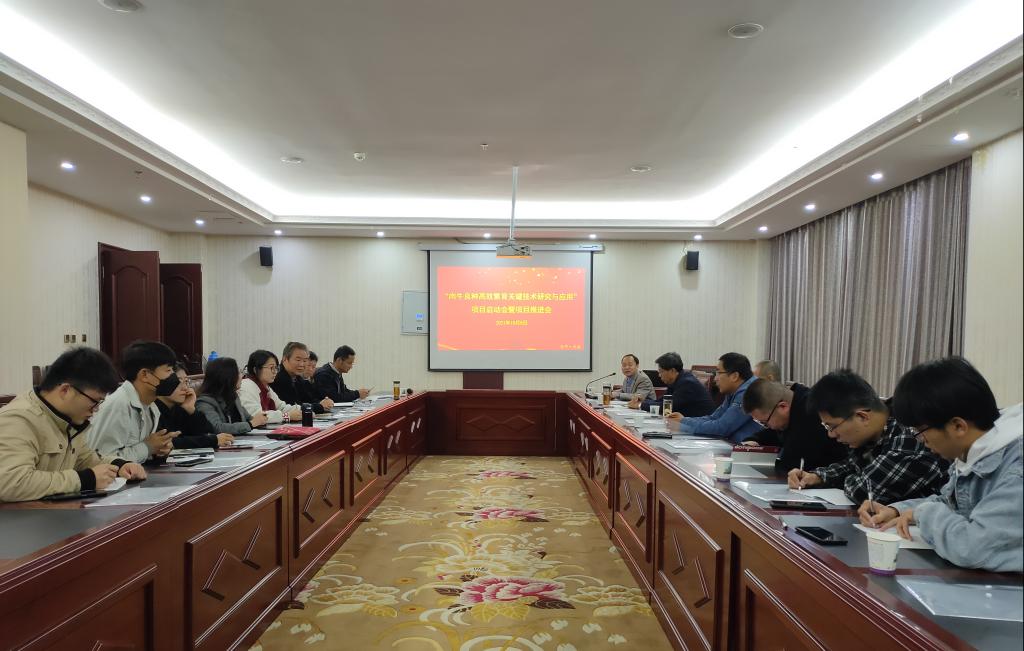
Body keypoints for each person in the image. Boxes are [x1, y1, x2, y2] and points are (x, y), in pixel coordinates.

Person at [860, 358, 1022, 572]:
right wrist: (898, 510)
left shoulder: (1016, 467)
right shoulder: (977, 449)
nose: (921, 441)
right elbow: (950, 502)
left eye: (920, 431)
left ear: (958, 426)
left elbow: (970, 548)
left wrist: (922, 514)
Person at [0, 348, 147, 502]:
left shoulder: (66, 419)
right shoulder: (18, 420)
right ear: (65, 390)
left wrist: (119, 466)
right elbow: (11, 483)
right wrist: (84, 480)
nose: (96, 409)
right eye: (94, 402)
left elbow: (84, 459)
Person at [788, 370, 947, 504]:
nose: (831, 434)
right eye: (826, 427)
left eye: (832, 426)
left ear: (862, 417)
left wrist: (857, 476)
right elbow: (851, 465)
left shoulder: (909, 436)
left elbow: (863, 492)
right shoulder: (875, 431)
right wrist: (816, 477)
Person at [87, 340, 179, 463]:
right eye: (168, 370)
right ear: (145, 375)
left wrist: (159, 449)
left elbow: (139, 451)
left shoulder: (151, 405)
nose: (173, 376)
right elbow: (102, 458)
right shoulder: (118, 404)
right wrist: (148, 448)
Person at [742, 378, 847, 473]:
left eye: (764, 422)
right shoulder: (794, 401)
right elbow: (775, 431)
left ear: (783, 407)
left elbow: (790, 466)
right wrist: (755, 440)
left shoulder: (811, 415)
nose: (767, 426)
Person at [676, 353, 763, 443]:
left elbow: (721, 428)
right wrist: (683, 421)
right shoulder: (733, 390)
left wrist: (682, 425)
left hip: (749, 449)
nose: (715, 379)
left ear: (734, 376)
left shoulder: (748, 392)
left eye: (718, 373)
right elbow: (714, 418)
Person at [155, 364, 234, 449]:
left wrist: (191, 409)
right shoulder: (152, 408)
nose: (185, 388)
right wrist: (212, 440)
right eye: (177, 382)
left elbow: (207, 433)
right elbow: (167, 443)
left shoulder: (178, 408)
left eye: (186, 381)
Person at [628, 352, 715, 418]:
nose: (659, 375)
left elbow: (666, 407)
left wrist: (639, 405)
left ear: (672, 371)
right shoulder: (676, 381)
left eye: (661, 372)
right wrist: (642, 401)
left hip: (700, 428)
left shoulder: (687, 383)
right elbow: (661, 401)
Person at [196, 358, 268, 434]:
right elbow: (216, 428)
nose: (242, 376)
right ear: (228, 377)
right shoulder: (204, 402)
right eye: (239, 372)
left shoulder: (233, 396)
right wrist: (251, 424)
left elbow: (249, 419)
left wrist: (261, 420)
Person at [239, 350, 301, 424]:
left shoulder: (265, 386)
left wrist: (303, 410)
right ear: (256, 370)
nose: (275, 372)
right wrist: (287, 416)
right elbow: (257, 415)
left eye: (276, 368)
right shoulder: (246, 385)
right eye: (271, 368)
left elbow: (281, 407)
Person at [271, 342, 333, 413]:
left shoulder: (298, 378)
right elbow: (293, 406)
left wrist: (323, 402)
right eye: (298, 360)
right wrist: (320, 406)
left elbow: (308, 399)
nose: (302, 364)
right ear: (285, 359)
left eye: (305, 360)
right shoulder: (277, 378)